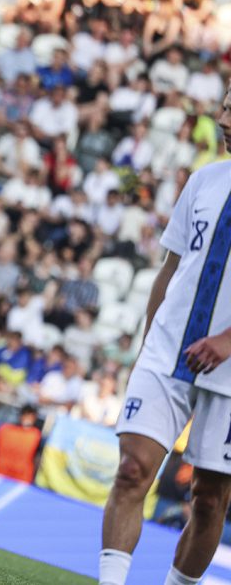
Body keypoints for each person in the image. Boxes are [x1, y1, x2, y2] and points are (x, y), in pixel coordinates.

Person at [99, 82, 231, 585]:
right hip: (169, 350)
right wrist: (148, 345)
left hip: (229, 371)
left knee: (209, 497)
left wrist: (225, 342)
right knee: (132, 469)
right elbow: (170, 268)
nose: (221, 118)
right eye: (222, 106)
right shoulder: (203, 180)